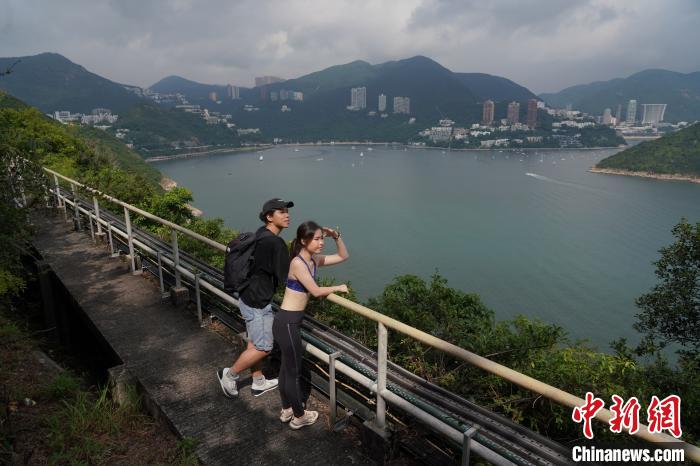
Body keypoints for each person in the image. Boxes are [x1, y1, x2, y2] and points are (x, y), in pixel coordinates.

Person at [275, 221, 349, 429]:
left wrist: (336, 236)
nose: (320, 243)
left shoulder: (313, 260)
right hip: (288, 322)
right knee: (293, 371)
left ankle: (287, 409)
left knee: (285, 369)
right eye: (316, 239)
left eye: (321, 238)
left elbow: (343, 256)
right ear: (303, 241)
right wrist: (339, 287)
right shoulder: (298, 263)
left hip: (288, 322)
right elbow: (315, 292)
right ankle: (299, 416)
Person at [217, 198, 294, 398]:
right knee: (264, 347)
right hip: (258, 301)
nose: (287, 215)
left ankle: (258, 381)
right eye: (281, 212)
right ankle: (230, 375)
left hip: (247, 294)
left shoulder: (261, 234)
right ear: (269, 217)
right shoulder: (275, 242)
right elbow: (287, 276)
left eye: (287, 211)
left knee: (254, 343)